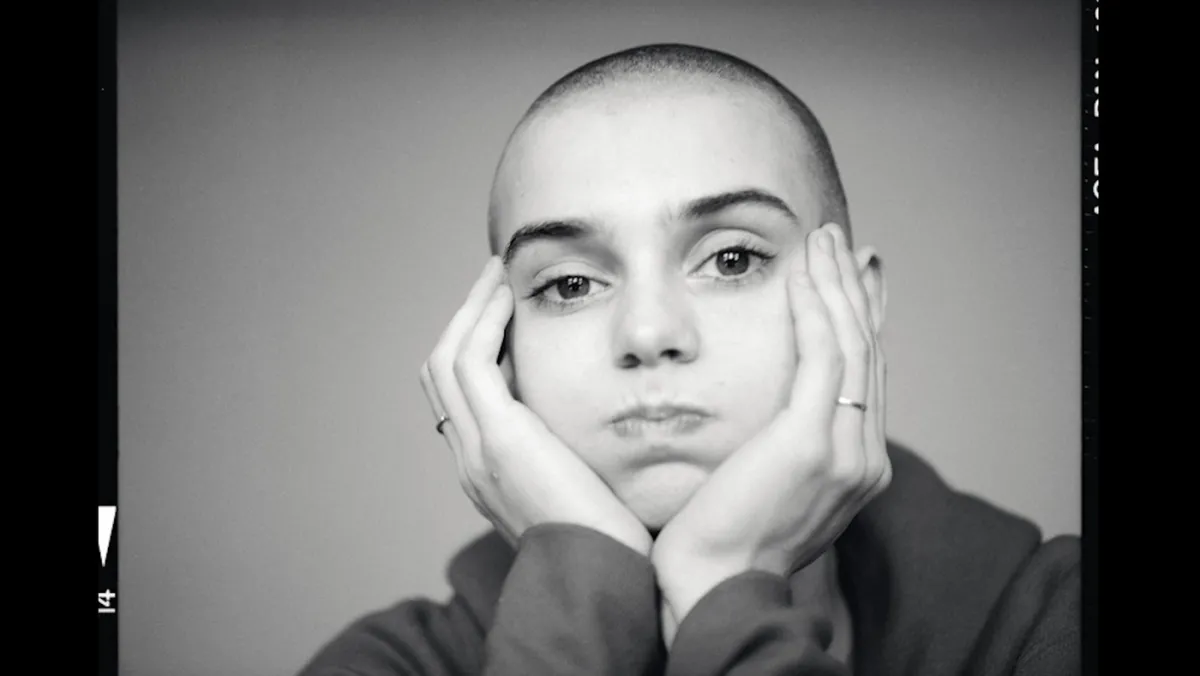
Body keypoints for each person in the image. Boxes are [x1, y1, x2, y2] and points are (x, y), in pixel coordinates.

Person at [296, 43, 1080, 676]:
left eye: (732, 260)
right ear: (496, 352)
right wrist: (586, 593)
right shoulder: (385, 665)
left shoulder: (1058, 626)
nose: (647, 332)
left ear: (859, 307)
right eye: (570, 283)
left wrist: (722, 587)